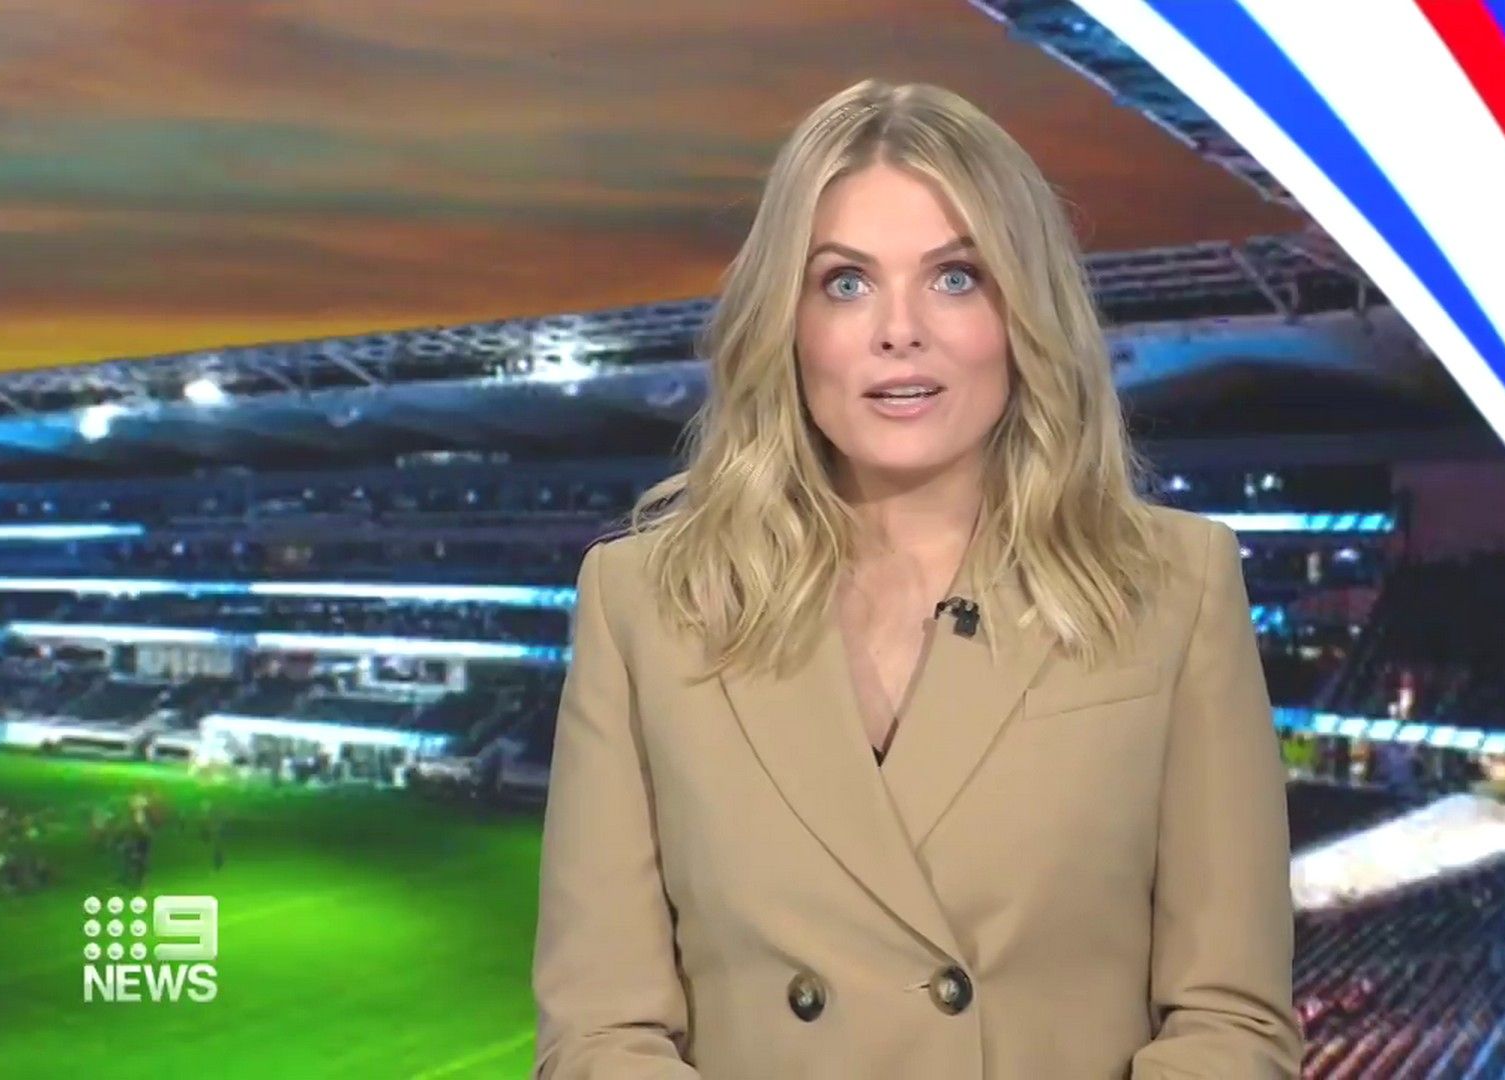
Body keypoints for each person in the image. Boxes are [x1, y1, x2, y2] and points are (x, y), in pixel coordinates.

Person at [532, 80, 1301, 1079]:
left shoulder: (1174, 588)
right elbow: (599, 1033)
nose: (900, 330)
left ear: (1023, 313)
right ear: (786, 321)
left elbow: (1232, 1022)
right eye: (846, 282)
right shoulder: (644, 602)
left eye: (955, 277)